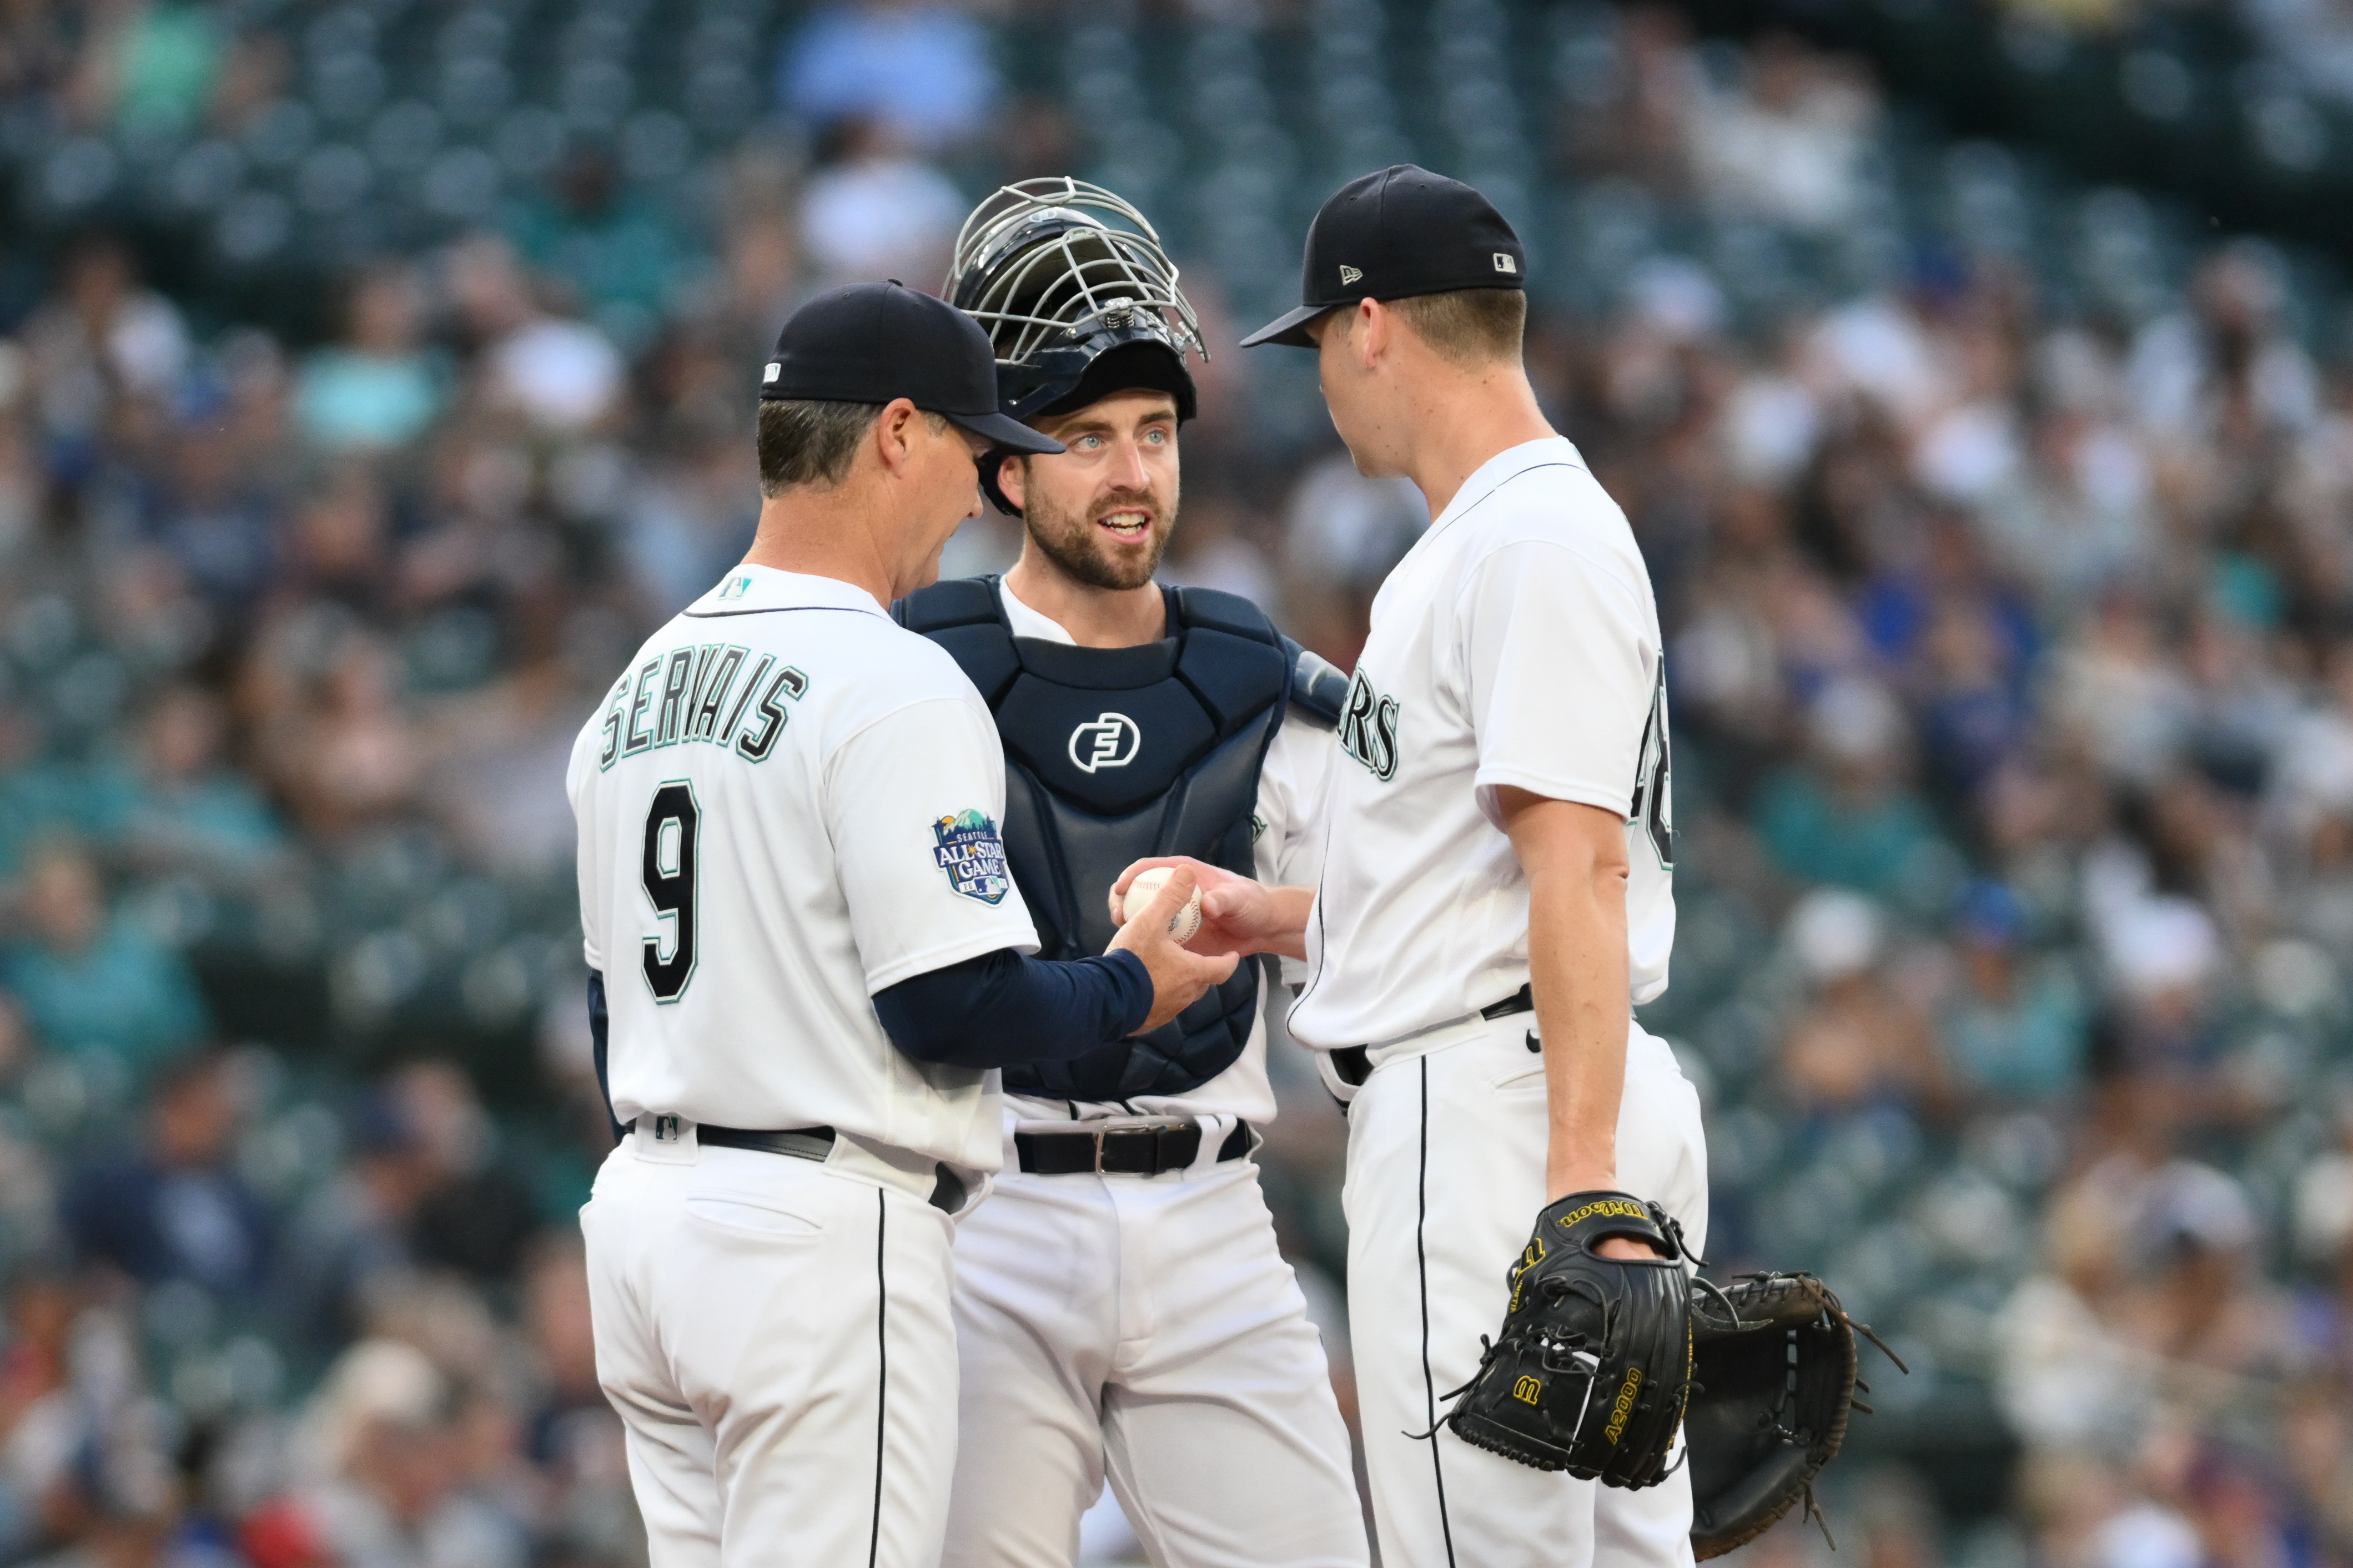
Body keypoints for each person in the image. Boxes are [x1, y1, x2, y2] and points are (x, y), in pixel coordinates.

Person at [565, 280, 1235, 1568]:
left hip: (648, 1223)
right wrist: (1125, 986)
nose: (988, 488)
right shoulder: (891, 677)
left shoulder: (639, 681)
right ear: (895, 434)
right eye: (981, 453)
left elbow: (611, 1007)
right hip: (813, 1241)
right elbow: (952, 1003)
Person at [1120, 167, 1711, 1568]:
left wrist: (1580, 1188)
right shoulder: (1500, 541)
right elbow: (1483, 878)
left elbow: (1575, 870)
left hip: (1499, 1120)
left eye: (1319, 339)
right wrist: (1266, 916)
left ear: (1371, 326)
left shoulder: (1525, 540)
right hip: (1536, 1083)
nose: (1321, 374)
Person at [894, 178, 1369, 1568]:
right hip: (987, 1208)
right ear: (1004, 469)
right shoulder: (909, 668)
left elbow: (1391, 913)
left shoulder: (1254, 668)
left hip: (1214, 1211)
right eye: (1085, 435)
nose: (1130, 471)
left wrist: (1271, 921)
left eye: (1155, 433)